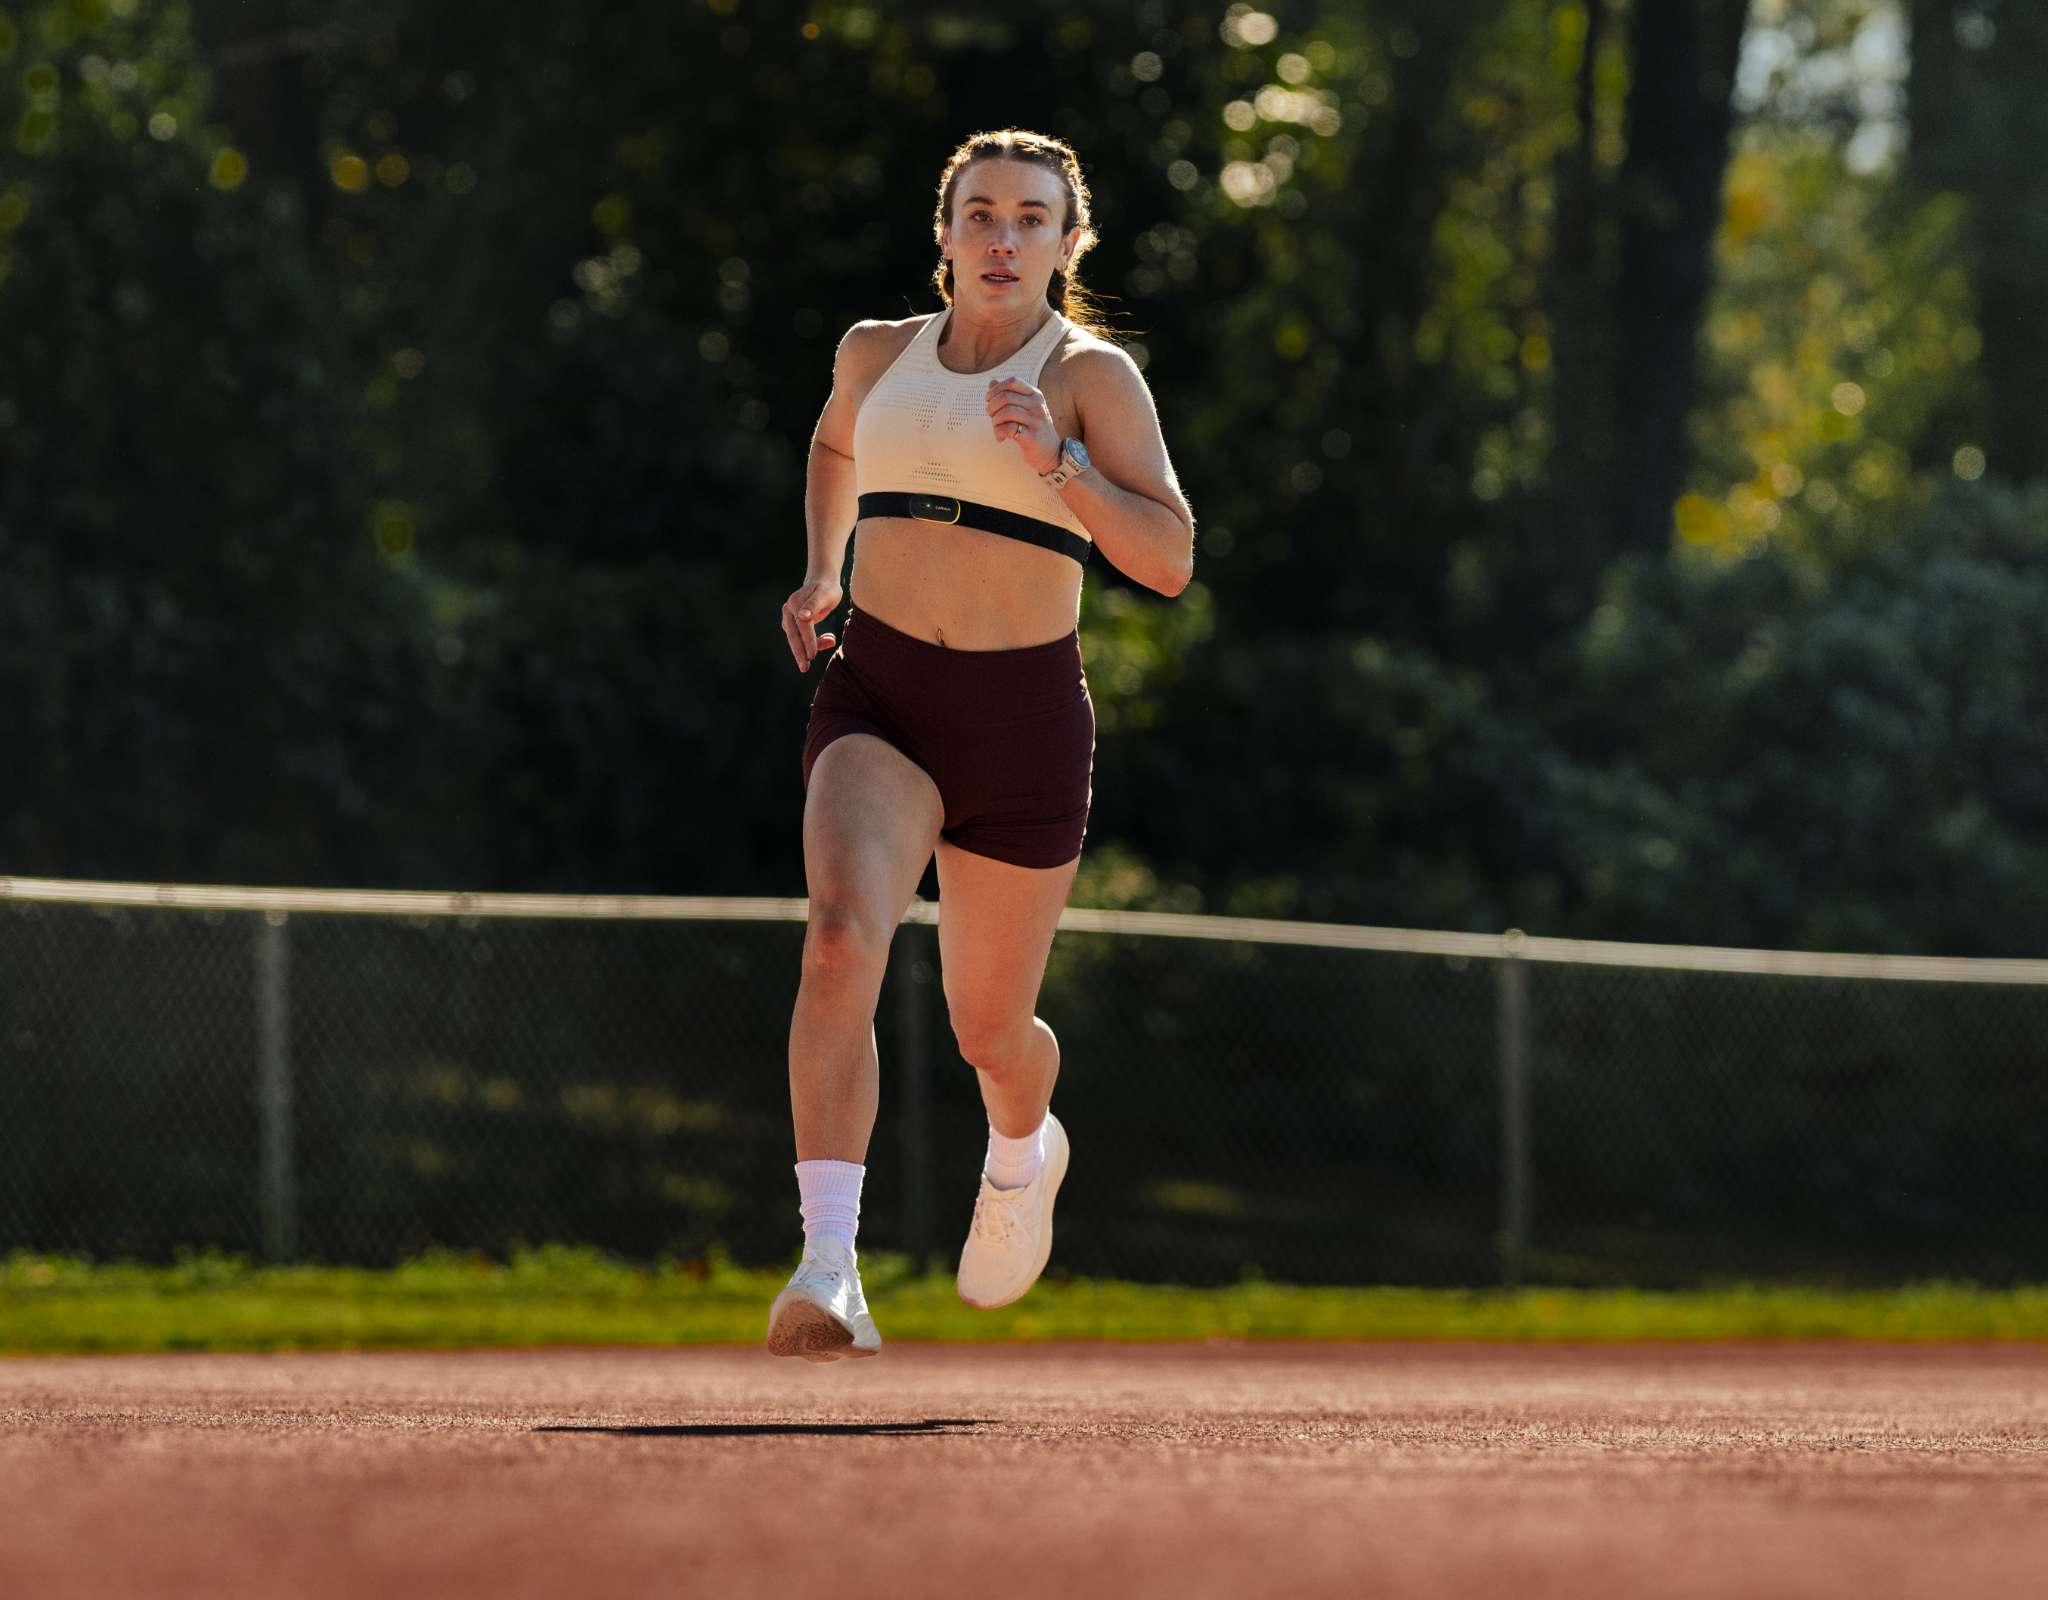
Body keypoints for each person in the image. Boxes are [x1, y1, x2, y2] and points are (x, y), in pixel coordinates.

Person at [764, 129, 1196, 1362]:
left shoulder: (1091, 377)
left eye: (1031, 219)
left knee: (987, 1034)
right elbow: (838, 440)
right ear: (944, 233)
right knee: (841, 941)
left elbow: (1167, 559)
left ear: (1068, 245)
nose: (1002, 237)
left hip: (1021, 724)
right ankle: (829, 1266)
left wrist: (1058, 463)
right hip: (880, 699)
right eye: (980, 214)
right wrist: (818, 567)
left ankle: (1022, 1150)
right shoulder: (873, 354)